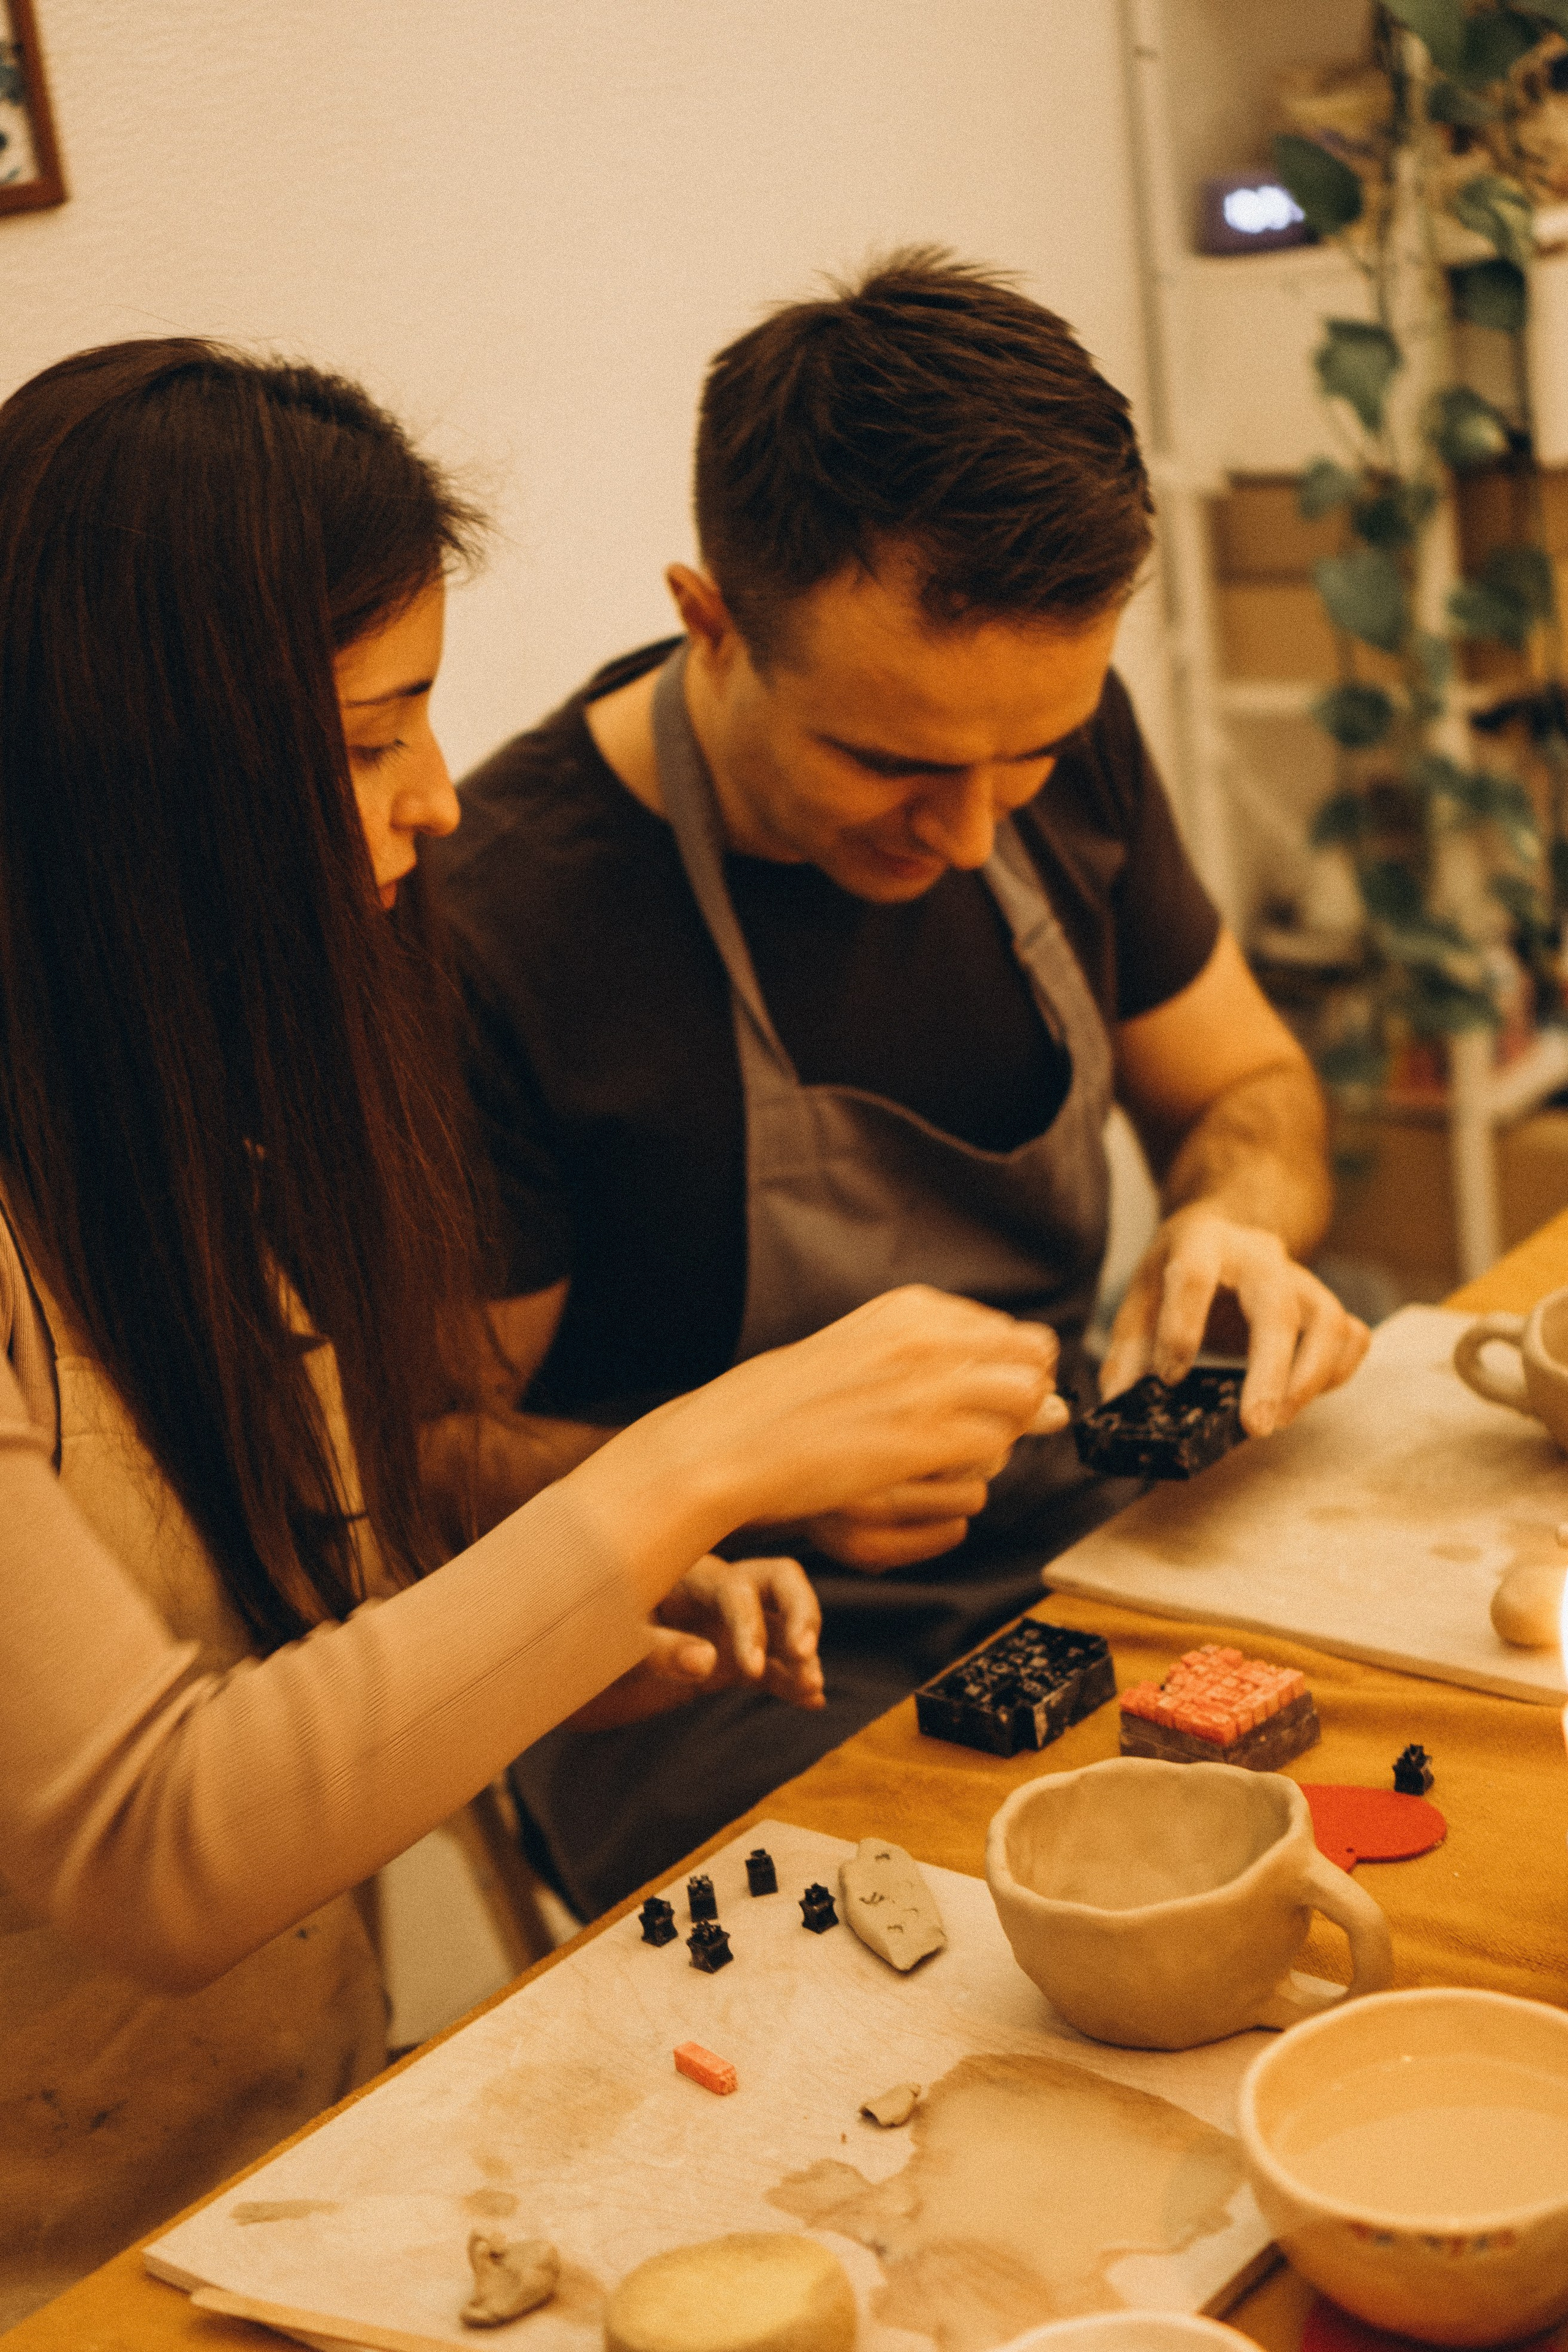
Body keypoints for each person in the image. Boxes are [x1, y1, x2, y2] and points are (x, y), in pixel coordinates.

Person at [0, 337, 1065, 2323]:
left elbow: (296, 1615)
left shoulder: (177, 1130)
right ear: (142, 768)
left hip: (286, 2166)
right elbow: (159, 1842)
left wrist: (572, 1649)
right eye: (373, 730)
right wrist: (707, 1451)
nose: (433, 799)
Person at [431, 251, 1373, 1920]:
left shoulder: (1039, 738)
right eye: (897, 765)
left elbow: (1253, 1090)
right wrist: (752, 1465)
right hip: (721, 1668)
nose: (975, 832)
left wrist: (1234, 1222)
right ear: (710, 622)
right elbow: (428, 1459)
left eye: (1032, 755)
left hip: (1079, 1527)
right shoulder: (499, 919)